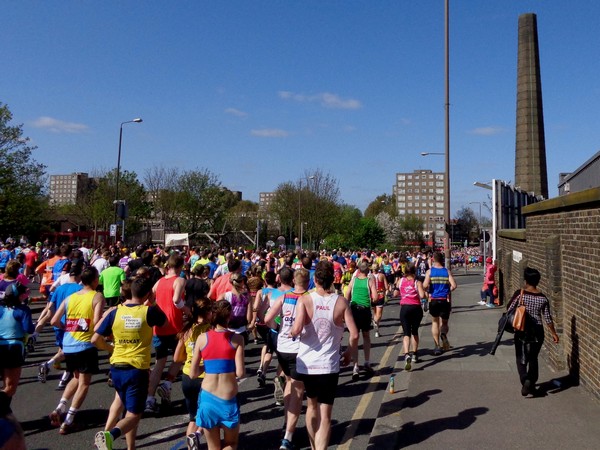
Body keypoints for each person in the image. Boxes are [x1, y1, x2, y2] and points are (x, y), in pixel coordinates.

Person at [290, 260, 358, 450]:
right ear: (332, 279)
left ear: (315, 279)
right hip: (329, 365)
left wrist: (291, 332)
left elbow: (296, 329)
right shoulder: (341, 302)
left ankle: (314, 446)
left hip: (307, 364)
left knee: (311, 407)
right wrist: (349, 353)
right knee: (325, 414)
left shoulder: (305, 300)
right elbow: (354, 334)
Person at [92, 276, 167, 450]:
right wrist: (153, 302)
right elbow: (165, 323)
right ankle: (110, 436)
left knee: (125, 407)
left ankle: (130, 446)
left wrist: (110, 348)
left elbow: (95, 337)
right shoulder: (148, 311)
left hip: (117, 366)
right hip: (137, 368)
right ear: (148, 294)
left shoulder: (115, 312)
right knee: (134, 415)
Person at [48, 267, 106, 434]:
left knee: (75, 377)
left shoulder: (71, 297)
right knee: (84, 383)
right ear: (95, 280)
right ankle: (69, 420)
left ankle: (60, 408)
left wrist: (67, 327)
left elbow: (54, 320)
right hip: (85, 344)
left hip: (69, 344)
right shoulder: (97, 296)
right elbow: (97, 320)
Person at [190, 300, 245, 450]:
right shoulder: (237, 339)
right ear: (229, 316)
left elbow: (193, 373)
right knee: (231, 444)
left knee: (213, 447)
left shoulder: (202, 338)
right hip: (228, 398)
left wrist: (209, 367)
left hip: (208, 397)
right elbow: (240, 373)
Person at [264, 268, 309, 450]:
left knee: (289, 383)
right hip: (299, 348)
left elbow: (267, 318)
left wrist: (277, 328)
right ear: (307, 282)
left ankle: (286, 422)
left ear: (294, 281)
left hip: (282, 347)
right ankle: (288, 437)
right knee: (298, 391)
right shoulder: (309, 298)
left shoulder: (284, 296)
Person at [145, 254, 188, 414]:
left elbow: (149, 300)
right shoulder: (180, 280)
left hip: (159, 327)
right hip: (175, 326)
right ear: (181, 266)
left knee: (159, 362)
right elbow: (177, 300)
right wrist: (187, 310)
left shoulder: (159, 281)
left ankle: (149, 399)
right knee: (180, 356)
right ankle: (168, 383)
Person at [507, 267, 559, 397]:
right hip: (537, 330)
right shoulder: (543, 298)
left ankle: (525, 379)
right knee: (533, 357)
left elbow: (509, 308)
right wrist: (554, 333)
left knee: (520, 357)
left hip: (522, 328)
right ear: (538, 281)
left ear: (526, 280)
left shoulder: (520, 294)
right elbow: (548, 318)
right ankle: (531, 382)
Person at [36, 264, 84, 389]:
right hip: (72, 324)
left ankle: (52, 368)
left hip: (58, 324)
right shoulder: (80, 289)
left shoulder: (59, 288)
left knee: (64, 351)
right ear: (79, 275)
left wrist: (50, 317)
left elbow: (50, 307)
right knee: (72, 353)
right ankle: (61, 376)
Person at [174, 297, 212, 450]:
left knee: (193, 418)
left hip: (187, 376)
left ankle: (191, 445)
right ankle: (198, 435)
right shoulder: (210, 330)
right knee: (208, 414)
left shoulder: (187, 330)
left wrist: (190, 356)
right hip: (205, 376)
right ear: (208, 312)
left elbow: (177, 358)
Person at [0, 267, 34, 405]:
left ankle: (5, 411)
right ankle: (3, 410)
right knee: (10, 387)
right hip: (14, 347)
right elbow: (29, 329)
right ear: (19, 296)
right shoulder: (23, 310)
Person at [346, 261, 377, 380]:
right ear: (367, 270)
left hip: (354, 310)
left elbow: (347, 294)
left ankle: (355, 366)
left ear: (358, 269)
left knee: (354, 337)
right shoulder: (369, 280)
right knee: (366, 336)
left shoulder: (354, 280)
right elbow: (375, 297)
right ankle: (367, 362)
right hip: (365, 310)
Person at [423, 252, 457, 356]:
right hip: (444, 300)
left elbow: (424, 285)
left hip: (434, 300)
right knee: (444, 323)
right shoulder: (446, 271)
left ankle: (437, 346)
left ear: (433, 259)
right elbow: (454, 285)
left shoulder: (430, 272)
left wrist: (428, 291)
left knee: (435, 322)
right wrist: (447, 291)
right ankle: (443, 334)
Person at [397, 264, 425, 370]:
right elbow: (422, 295)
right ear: (414, 271)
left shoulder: (400, 281)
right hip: (416, 308)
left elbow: (394, 293)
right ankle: (415, 354)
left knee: (406, 333)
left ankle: (406, 354)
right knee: (415, 331)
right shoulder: (417, 282)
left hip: (404, 308)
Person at [370, 263, 387, 338]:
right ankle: (376, 324)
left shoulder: (369, 276)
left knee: (374, 312)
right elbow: (386, 286)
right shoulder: (382, 275)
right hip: (380, 295)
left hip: (372, 296)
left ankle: (376, 328)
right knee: (379, 314)